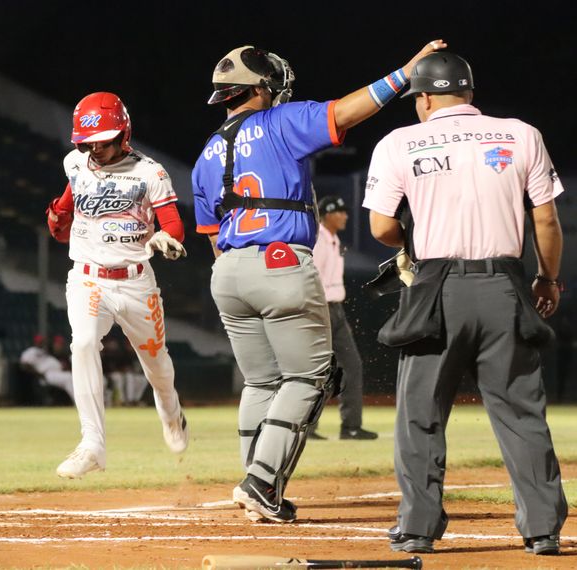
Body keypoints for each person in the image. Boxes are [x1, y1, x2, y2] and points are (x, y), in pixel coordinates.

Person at [191, 39, 447, 523]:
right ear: (260, 88)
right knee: (311, 376)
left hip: (226, 272)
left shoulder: (207, 152)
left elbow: (212, 236)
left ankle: (257, 483)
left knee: (261, 381)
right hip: (280, 259)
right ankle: (261, 481)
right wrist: (403, 72)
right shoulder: (279, 122)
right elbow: (347, 112)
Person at [363, 52, 567, 555]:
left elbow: (381, 227)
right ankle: (542, 529)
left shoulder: (398, 143)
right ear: (469, 94)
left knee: (421, 413)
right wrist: (548, 280)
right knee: (520, 412)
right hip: (504, 287)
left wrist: (410, 245)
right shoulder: (522, 134)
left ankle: (417, 528)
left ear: (425, 98)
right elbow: (545, 221)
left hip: (437, 290)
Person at [45, 91, 190, 479]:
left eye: (104, 140)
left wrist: (166, 237)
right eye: (89, 141)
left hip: (136, 283)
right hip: (88, 278)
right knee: (84, 342)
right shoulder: (76, 163)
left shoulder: (150, 172)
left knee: (158, 366)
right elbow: (68, 204)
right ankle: (92, 444)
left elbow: (173, 222)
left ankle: (172, 413)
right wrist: (59, 213)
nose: (96, 148)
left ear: (123, 134)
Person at [310, 195, 378, 440]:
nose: (346, 216)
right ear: (328, 214)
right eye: (341, 212)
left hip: (335, 309)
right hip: (321, 308)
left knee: (352, 366)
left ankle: (351, 426)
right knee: (318, 370)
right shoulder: (318, 238)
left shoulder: (333, 239)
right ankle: (306, 428)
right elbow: (311, 276)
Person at [19, 334, 75, 403]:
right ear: (35, 342)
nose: (41, 342)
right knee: (69, 378)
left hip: (57, 371)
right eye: (39, 341)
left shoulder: (44, 351)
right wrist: (38, 374)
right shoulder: (31, 351)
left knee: (72, 377)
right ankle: (77, 401)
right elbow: (24, 365)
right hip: (48, 374)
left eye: (42, 341)